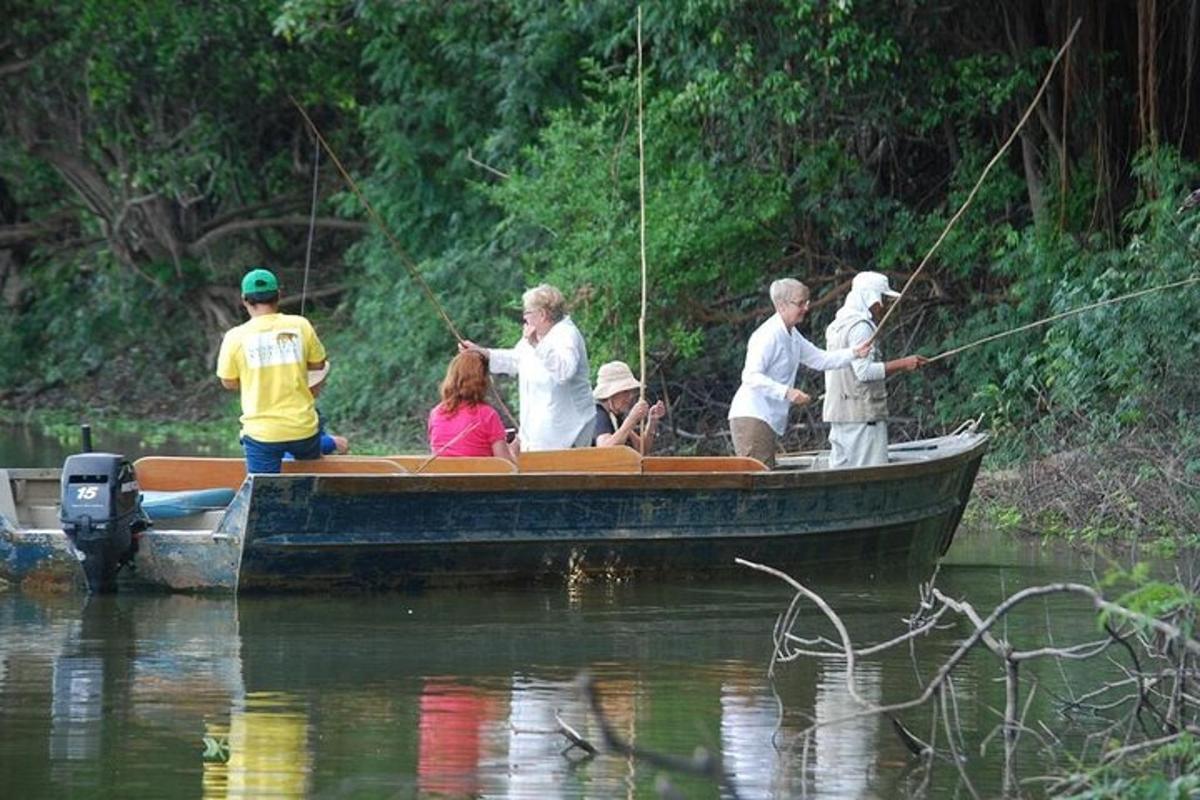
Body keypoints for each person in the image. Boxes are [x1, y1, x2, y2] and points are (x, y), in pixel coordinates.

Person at [727, 278, 870, 468]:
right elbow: (750, 376)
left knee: (767, 473)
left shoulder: (793, 335)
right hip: (752, 415)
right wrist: (788, 392)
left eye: (807, 302)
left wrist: (855, 353)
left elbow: (820, 359)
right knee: (760, 477)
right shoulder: (767, 335)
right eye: (800, 303)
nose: (806, 308)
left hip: (767, 418)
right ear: (781, 306)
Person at [216, 267, 327, 474]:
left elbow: (228, 382)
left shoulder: (234, 337)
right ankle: (332, 446)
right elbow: (318, 365)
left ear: (244, 300)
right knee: (311, 463)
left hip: (262, 435)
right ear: (278, 295)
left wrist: (253, 376)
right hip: (303, 430)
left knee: (264, 494)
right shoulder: (300, 325)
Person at [459, 283, 594, 451]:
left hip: (568, 433)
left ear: (543, 314)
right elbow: (515, 360)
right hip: (541, 435)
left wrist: (537, 344)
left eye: (527, 313)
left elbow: (564, 372)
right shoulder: (535, 337)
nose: (525, 318)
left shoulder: (566, 335)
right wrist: (482, 352)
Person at [823, 271, 927, 468]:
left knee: (841, 477)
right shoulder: (861, 327)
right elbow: (864, 373)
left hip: (839, 415)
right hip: (861, 417)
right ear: (870, 298)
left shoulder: (836, 325)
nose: (885, 307)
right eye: (882, 299)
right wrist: (903, 364)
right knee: (869, 476)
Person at [427, 350, 516, 463]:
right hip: (479, 480)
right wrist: (514, 450)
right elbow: (506, 467)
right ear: (483, 380)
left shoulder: (436, 413)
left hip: (442, 478)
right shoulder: (487, 415)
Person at [591, 360, 666, 452]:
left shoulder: (616, 416)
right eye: (625, 392)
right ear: (612, 393)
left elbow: (642, 449)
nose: (630, 397)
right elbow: (605, 450)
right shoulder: (598, 414)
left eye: (630, 391)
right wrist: (631, 419)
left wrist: (652, 422)